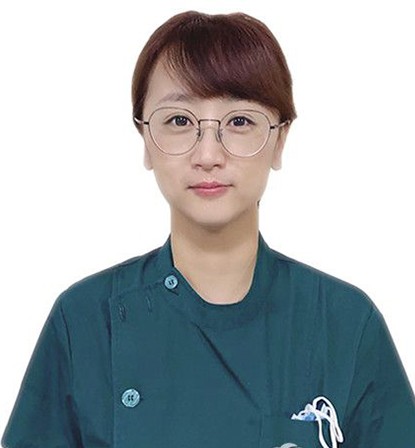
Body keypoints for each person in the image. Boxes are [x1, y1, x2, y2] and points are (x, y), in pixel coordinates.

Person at [2, 10, 414, 448]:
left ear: (280, 139)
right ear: (145, 140)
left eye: (239, 121)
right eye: (179, 121)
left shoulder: (344, 324)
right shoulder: (85, 321)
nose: (208, 155)